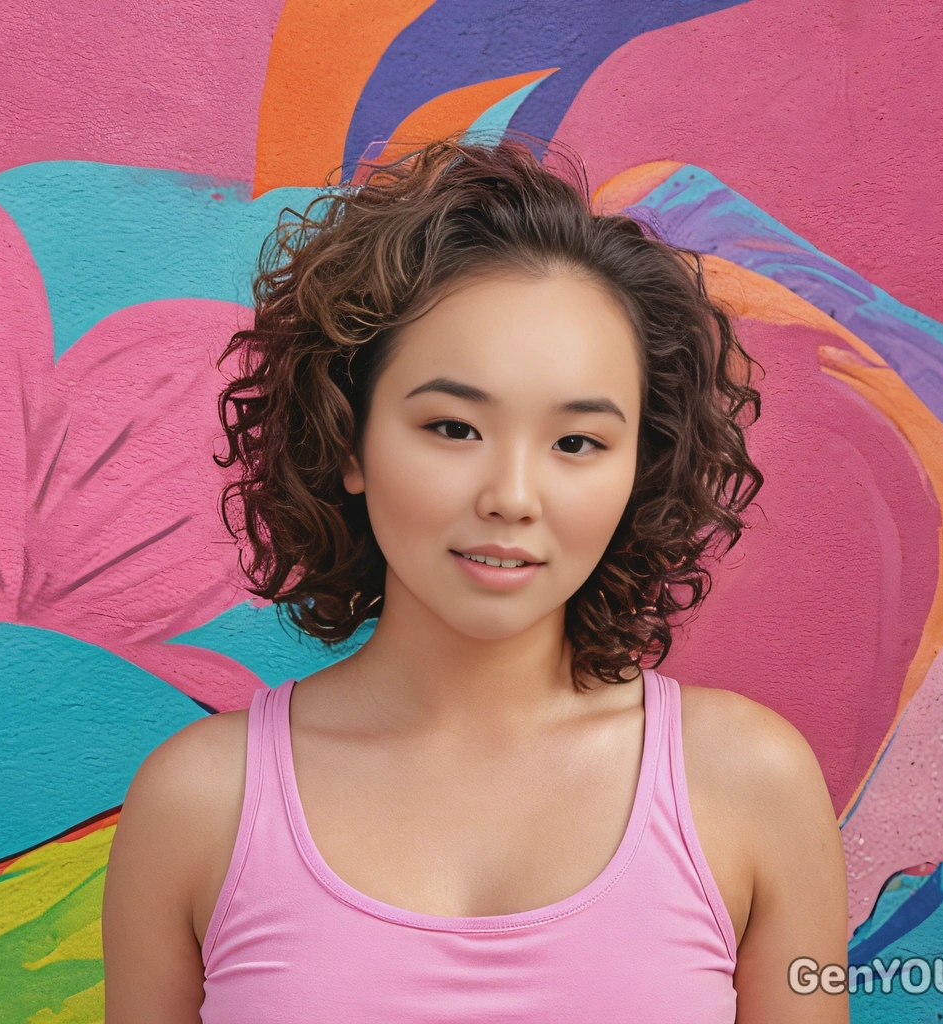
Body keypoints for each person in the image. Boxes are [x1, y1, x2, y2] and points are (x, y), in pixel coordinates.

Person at [101, 133, 849, 1022]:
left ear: (638, 468)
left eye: (577, 442)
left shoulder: (752, 784)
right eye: (454, 428)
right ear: (349, 438)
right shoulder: (197, 807)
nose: (512, 497)